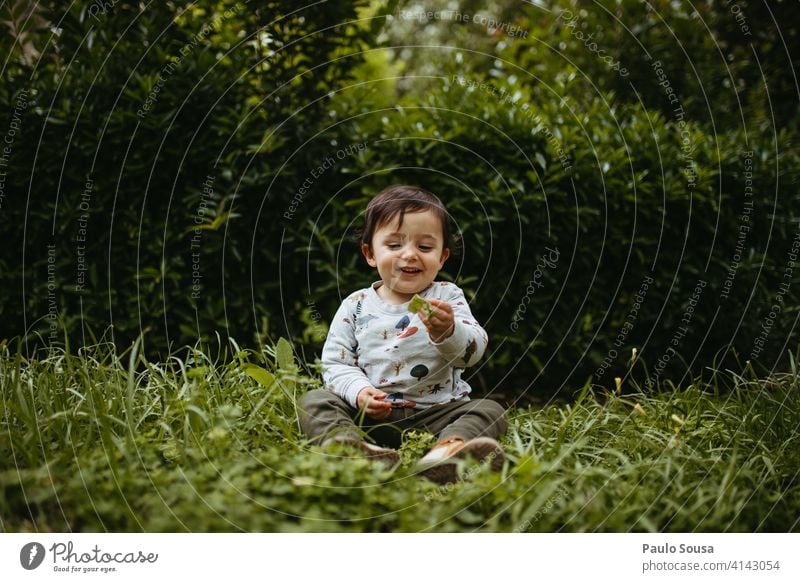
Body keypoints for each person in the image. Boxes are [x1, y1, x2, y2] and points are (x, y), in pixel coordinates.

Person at [299, 185, 507, 484]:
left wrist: (449, 331)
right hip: (371, 416)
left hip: (437, 413)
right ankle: (352, 449)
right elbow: (336, 363)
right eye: (394, 245)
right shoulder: (355, 306)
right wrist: (359, 393)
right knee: (315, 401)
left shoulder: (446, 297)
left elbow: (473, 354)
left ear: (442, 257)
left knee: (490, 410)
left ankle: (447, 451)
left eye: (424, 248)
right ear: (370, 254)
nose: (409, 255)